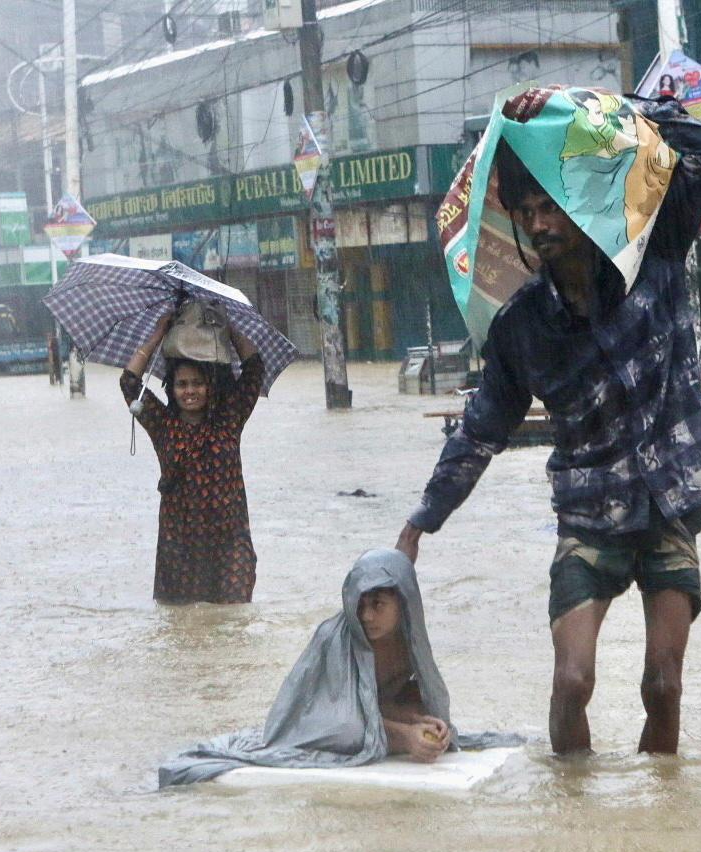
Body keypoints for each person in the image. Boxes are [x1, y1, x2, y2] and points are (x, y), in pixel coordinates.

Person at [397, 91, 701, 757]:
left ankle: (659, 824)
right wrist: (419, 523)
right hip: (588, 517)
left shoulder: (653, 253)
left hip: (668, 507)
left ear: (577, 206)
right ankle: (570, 813)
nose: (540, 223)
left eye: (550, 207)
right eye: (527, 212)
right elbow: (480, 431)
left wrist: (587, 107)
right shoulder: (519, 328)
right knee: (572, 680)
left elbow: (699, 145)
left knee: (663, 685)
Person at [159, 548, 526, 787]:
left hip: (363, 713)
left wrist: (424, 724)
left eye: (379, 605)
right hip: (311, 721)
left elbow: (392, 699)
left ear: (404, 606)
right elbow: (340, 721)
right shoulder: (336, 639)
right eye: (361, 605)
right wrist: (402, 736)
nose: (366, 617)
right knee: (353, 727)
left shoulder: (410, 640)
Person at [121, 304, 264, 603]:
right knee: (185, 627)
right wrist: (159, 333)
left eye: (198, 383)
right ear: (171, 389)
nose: (190, 391)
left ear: (210, 387)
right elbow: (129, 382)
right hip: (180, 550)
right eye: (182, 384)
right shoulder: (163, 425)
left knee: (233, 619)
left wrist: (228, 326)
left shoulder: (229, 419)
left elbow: (253, 369)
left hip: (230, 546)